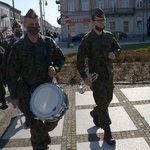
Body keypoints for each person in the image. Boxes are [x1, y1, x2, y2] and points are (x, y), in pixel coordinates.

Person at [7, 8, 65, 150]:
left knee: (53, 121)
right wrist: (14, 96)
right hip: (27, 95)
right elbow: (11, 73)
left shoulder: (48, 42)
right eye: (31, 24)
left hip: (48, 92)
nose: (34, 27)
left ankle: (43, 134)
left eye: (36, 24)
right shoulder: (18, 47)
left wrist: (55, 69)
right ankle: (41, 142)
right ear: (25, 25)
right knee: (36, 129)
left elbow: (60, 59)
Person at [77, 8, 121, 146]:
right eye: (99, 20)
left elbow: (118, 48)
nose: (102, 22)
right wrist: (84, 77)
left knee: (108, 100)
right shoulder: (87, 40)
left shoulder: (109, 36)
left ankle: (95, 113)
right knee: (103, 103)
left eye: (104, 19)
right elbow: (79, 60)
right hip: (97, 79)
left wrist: (115, 53)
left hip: (109, 76)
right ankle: (107, 132)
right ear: (93, 22)